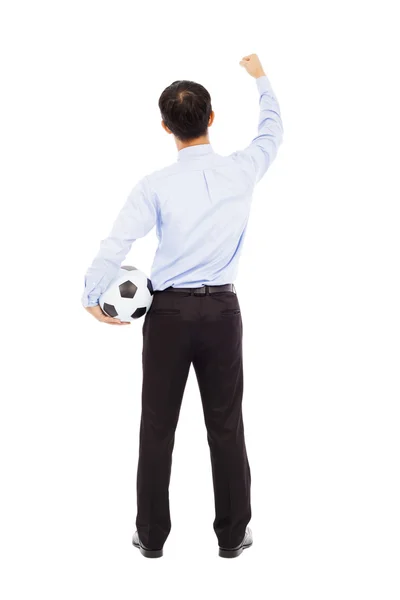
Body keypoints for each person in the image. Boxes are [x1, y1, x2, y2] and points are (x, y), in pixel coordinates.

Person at [81, 53, 283, 558]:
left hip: (167, 317)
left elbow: (118, 241)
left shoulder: (155, 185)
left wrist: (91, 294)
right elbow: (271, 131)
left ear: (165, 126)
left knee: (157, 425)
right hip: (221, 315)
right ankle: (233, 536)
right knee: (226, 424)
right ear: (211, 119)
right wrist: (260, 77)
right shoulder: (243, 170)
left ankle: (151, 538)